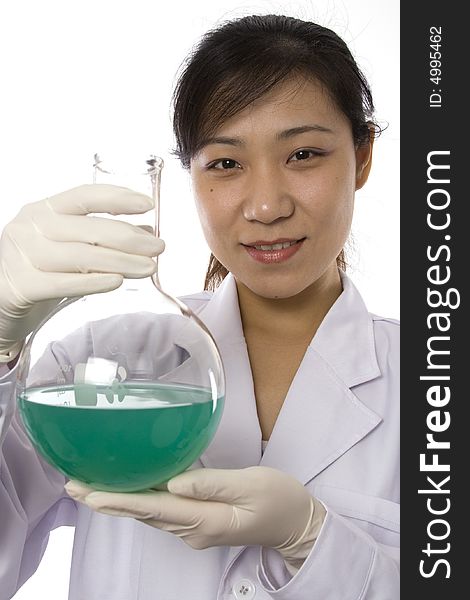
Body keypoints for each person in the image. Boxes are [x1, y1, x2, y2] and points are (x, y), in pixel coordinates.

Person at [0, 14, 399, 600]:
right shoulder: (89, 363)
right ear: (190, 176)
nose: (265, 205)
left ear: (362, 157)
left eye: (304, 154)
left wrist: (315, 541)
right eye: (226, 163)